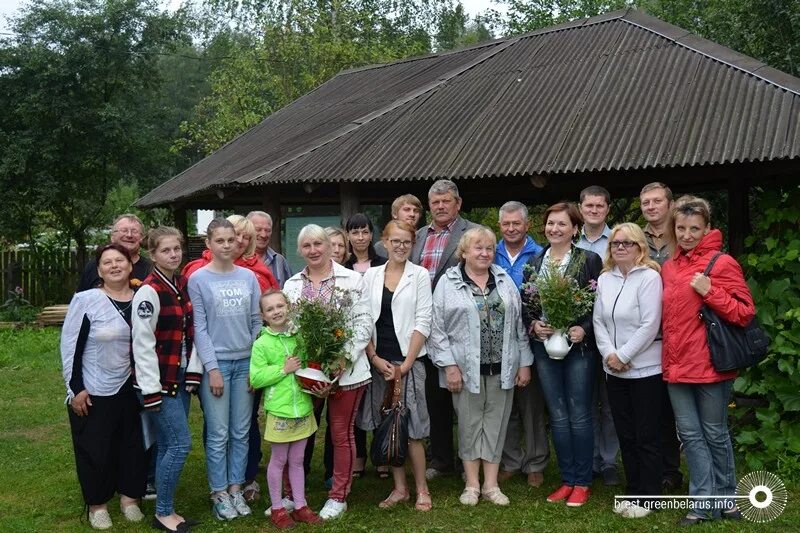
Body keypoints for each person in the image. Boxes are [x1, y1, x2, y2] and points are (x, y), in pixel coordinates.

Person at [662, 196, 753, 526]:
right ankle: (701, 502)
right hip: (676, 366)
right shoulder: (670, 267)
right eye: (681, 228)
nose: (687, 235)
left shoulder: (722, 263)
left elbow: (744, 312)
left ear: (708, 229)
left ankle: (727, 499)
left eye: (694, 229)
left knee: (714, 433)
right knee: (690, 435)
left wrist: (710, 290)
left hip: (711, 366)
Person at [429, 226, 532, 507]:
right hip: (464, 370)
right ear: (464, 252)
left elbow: (518, 325)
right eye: (478, 248)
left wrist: (524, 362)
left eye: (489, 248)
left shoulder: (503, 279)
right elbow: (436, 329)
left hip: (502, 366)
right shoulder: (448, 283)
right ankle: (472, 484)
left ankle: (491, 484)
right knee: (470, 426)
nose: (485, 253)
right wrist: (449, 365)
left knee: (495, 426)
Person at [283, 224, 372, 520]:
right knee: (297, 432)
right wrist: (305, 366)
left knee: (340, 433)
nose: (313, 250)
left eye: (318, 243)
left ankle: (338, 496)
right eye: (306, 246)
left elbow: (363, 322)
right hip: (308, 371)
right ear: (300, 250)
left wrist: (343, 358)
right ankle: (290, 493)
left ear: (329, 245)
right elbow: (288, 329)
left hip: (345, 370)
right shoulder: (292, 284)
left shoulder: (352, 279)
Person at [61, 244, 146, 530]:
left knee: (131, 445)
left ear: (130, 265)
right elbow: (70, 346)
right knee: (96, 448)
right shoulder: (86, 300)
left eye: (119, 260)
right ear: (99, 270)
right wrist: (76, 388)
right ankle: (97, 504)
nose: (114, 266)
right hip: (93, 387)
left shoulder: (142, 298)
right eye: (107, 262)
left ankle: (130, 499)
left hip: (130, 386)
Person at [523, 202, 602, 507]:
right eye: (550, 224)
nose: (554, 229)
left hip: (578, 347)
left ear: (575, 229)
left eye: (562, 224)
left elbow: (598, 302)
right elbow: (526, 301)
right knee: (557, 415)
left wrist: (583, 328)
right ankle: (567, 479)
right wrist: (534, 324)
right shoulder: (536, 260)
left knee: (579, 414)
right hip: (545, 347)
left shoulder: (588, 259)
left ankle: (582, 481)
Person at [187, 218, 262, 521]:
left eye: (231, 240)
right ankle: (218, 491)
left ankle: (235, 487)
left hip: (245, 362)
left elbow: (257, 322)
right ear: (209, 244)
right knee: (218, 433)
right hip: (216, 364)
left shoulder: (248, 278)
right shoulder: (199, 279)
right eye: (220, 241)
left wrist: (255, 364)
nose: (227, 245)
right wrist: (212, 368)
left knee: (241, 431)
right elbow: (199, 328)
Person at [356, 220, 433, 511]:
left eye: (407, 242)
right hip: (380, 363)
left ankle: (422, 489)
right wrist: (375, 359)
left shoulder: (420, 275)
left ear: (412, 245)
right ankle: (400, 488)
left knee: (412, 428)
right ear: (385, 243)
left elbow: (423, 321)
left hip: (408, 363)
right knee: (389, 425)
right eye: (395, 241)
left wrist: (406, 364)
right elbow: (362, 320)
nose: (401, 246)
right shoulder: (371, 276)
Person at [131, 227, 203, 531]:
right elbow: (142, 344)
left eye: (177, 249)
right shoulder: (149, 291)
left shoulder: (182, 283)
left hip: (180, 376)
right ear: (153, 254)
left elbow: (192, 330)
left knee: (166, 445)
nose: (173, 255)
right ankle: (163, 513)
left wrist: (194, 370)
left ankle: (166, 507)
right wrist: (151, 390)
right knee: (179, 445)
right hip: (159, 383)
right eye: (165, 250)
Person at [593, 223, 664, 519]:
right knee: (625, 433)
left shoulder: (650, 278)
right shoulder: (605, 279)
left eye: (627, 243)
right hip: (615, 371)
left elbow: (651, 324)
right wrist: (610, 355)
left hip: (646, 369)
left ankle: (650, 496)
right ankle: (633, 490)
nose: (620, 248)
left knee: (646, 434)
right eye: (616, 244)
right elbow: (598, 320)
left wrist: (623, 354)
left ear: (640, 247)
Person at [410, 179, 478, 480]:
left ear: (458, 203)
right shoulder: (418, 236)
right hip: (425, 327)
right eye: (435, 202)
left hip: (461, 324)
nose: (440, 206)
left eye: (446, 201)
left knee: (466, 401)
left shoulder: (472, 233)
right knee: (434, 399)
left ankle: (470, 461)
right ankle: (440, 460)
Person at [250, 290, 323, 529]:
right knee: (279, 460)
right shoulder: (262, 343)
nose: (276, 312)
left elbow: (309, 367)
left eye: (280, 306)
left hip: (302, 407)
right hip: (280, 411)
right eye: (270, 309)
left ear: (288, 307)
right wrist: (283, 369)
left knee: (298, 460)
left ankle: (300, 505)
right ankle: (278, 508)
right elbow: (256, 378)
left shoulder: (298, 337)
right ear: (263, 316)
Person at [493, 201, 549, 487]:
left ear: (527, 225)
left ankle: (536, 462)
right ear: (500, 226)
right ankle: (511, 460)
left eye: (516, 223)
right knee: (506, 405)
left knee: (531, 405)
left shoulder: (540, 255)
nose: (511, 228)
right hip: (497, 341)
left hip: (532, 340)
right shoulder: (491, 253)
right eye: (506, 224)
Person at [639, 182, 683, 491]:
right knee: (653, 409)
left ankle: (673, 470)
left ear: (669, 204)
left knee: (674, 409)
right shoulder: (633, 238)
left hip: (680, 331)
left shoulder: (682, 235)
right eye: (645, 202)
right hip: (646, 336)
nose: (651, 207)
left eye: (657, 201)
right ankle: (657, 470)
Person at [577, 185, 619, 486]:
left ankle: (609, 461)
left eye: (599, 206)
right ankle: (589, 458)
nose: (593, 210)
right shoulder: (567, 237)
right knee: (586, 401)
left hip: (611, 331)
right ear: (580, 209)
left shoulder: (618, 241)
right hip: (579, 334)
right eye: (588, 206)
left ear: (607, 209)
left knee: (611, 401)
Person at [183, 214, 278, 293]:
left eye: (246, 237)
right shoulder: (197, 269)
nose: (240, 240)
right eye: (236, 234)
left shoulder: (258, 271)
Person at [77, 214, 152, 292]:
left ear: (142, 238)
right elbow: (80, 300)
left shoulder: (151, 269)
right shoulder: (94, 266)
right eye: (124, 230)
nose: (129, 235)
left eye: (134, 231)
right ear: (112, 237)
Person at [247, 211, 293, 288]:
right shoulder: (238, 259)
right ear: (248, 230)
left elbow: (291, 291)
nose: (263, 235)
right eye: (258, 230)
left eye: (267, 230)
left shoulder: (280, 261)